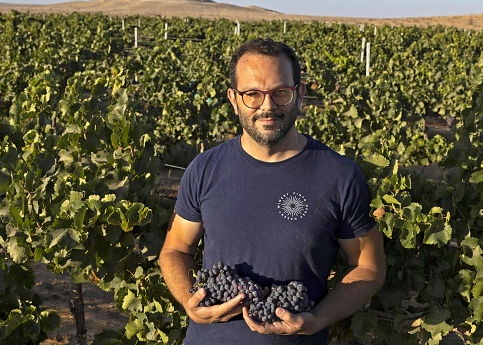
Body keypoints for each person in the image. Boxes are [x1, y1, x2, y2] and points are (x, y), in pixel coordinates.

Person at [159, 38, 386, 344]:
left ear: (300, 94)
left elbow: (367, 266)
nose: (267, 106)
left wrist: (318, 318)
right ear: (233, 98)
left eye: (280, 92)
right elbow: (175, 250)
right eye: (252, 94)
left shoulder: (339, 175)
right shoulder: (204, 169)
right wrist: (191, 301)